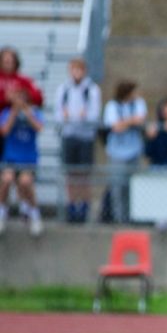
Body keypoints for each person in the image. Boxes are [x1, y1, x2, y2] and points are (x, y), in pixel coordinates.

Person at [54, 57, 102, 223]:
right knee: (71, 173)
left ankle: (84, 205)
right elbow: (58, 114)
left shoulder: (92, 90)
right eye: (73, 69)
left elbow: (94, 115)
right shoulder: (64, 89)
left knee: (84, 174)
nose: (76, 73)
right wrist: (67, 117)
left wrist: (83, 117)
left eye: (79, 69)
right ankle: (72, 205)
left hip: (85, 137)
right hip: (69, 135)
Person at [0, 86, 44, 236]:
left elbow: (39, 127)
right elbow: (4, 130)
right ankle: (2, 213)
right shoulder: (7, 112)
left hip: (28, 159)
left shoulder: (34, 112)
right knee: (6, 180)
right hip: (11, 158)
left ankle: (35, 214)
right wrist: (14, 111)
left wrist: (26, 111)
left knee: (25, 182)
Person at [102, 80, 146, 223]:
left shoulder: (138, 104)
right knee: (118, 187)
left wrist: (125, 122)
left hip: (134, 152)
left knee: (132, 187)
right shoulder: (112, 106)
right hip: (116, 153)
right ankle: (118, 218)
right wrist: (131, 121)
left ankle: (132, 217)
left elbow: (139, 120)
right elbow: (115, 127)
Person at [0, 47, 44, 164]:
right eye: (5, 61)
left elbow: (38, 98)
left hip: (11, 128)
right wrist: (5, 98)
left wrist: (20, 99)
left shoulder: (23, 80)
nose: (8, 64)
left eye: (10, 61)